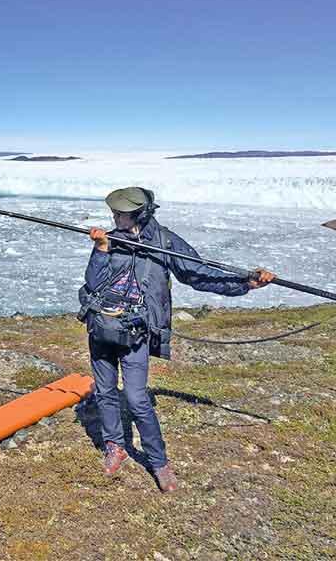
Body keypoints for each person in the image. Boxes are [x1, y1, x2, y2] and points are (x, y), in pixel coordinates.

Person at [79, 187, 275, 492]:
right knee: (105, 392)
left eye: (120, 214)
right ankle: (114, 446)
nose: (114, 218)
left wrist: (245, 283)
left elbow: (197, 273)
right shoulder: (109, 238)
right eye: (113, 213)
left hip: (135, 332)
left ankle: (158, 462)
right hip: (102, 328)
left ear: (141, 214)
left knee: (136, 398)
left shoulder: (165, 241)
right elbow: (93, 283)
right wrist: (102, 249)